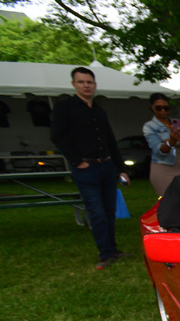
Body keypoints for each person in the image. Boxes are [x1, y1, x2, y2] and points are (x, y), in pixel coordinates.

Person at [49, 66, 131, 269]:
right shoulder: (65, 108)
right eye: (81, 82)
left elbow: (110, 140)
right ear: (74, 84)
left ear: (94, 85)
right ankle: (105, 254)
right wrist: (77, 161)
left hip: (106, 166)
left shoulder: (98, 110)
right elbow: (57, 137)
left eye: (89, 82)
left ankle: (113, 249)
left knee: (110, 211)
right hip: (86, 168)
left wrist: (120, 168)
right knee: (97, 212)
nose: (86, 86)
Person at [142, 92, 180, 197]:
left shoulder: (179, 123)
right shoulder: (149, 127)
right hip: (163, 167)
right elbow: (159, 149)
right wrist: (172, 141)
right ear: (152, 108)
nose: (163, 111)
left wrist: (174, 142)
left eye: (166, 108)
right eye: (159, 108)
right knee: (169, 201)